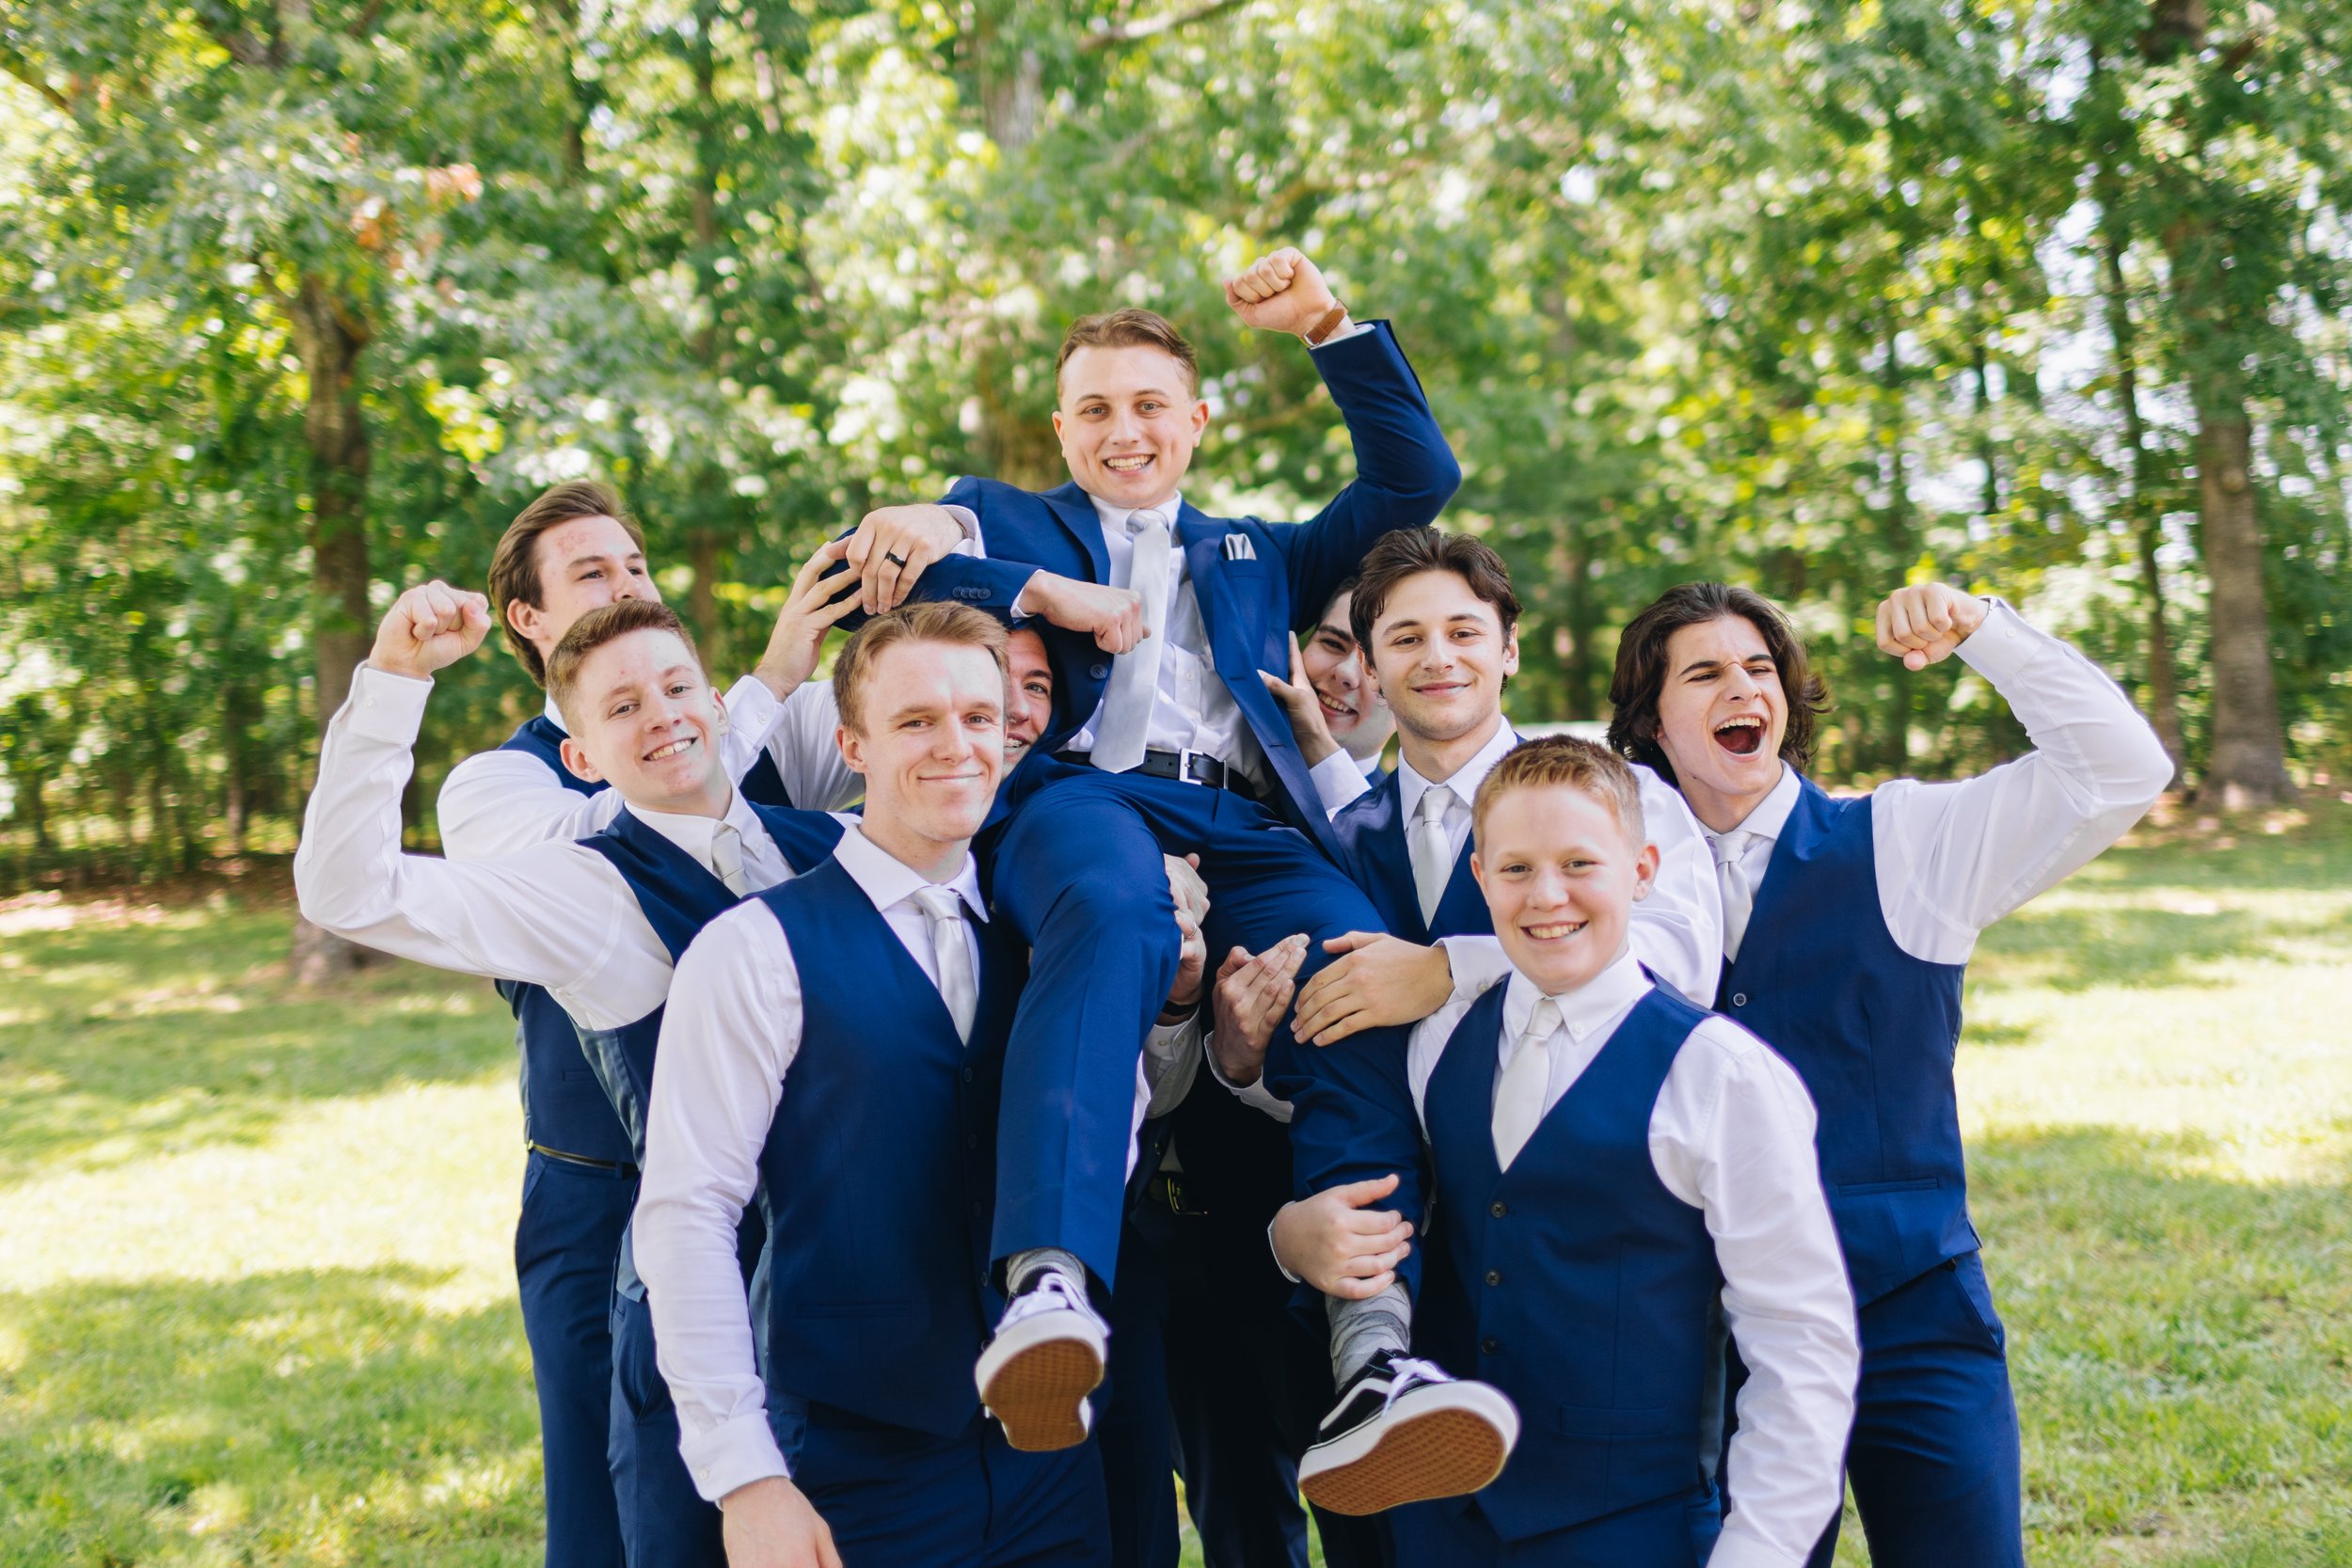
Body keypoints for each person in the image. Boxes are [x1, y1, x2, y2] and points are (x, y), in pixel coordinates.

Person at [834, 247, 1463, 1447]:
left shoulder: (1255, 552)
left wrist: (1324, 322)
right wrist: (1048, 595)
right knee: (1119, 916)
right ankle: (1050, 1282)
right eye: (1096, 410)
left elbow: (1414, 475)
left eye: (1147, 405)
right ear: (1061, 429)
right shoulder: (1005, 512)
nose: (1123, 431)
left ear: (1195, 420)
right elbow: (878, 562)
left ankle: (1374, 1344)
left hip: (1236, 813)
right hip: (1083, 795)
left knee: (1364, 964)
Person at [1605, 579, 2174, 1568]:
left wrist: (1984, 632)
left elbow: (2122, 771)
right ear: (1653, 721)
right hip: (1713, 1326)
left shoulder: (1906, 841)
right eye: (1703, 672)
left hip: (1910, 1307)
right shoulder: (1613, 882)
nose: (1743, 686)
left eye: (1759, 667)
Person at [294, 588, 859, 1567]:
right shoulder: (581, 887)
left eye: (678, 686)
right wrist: (395, 674)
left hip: (861, 1308)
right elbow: (350, 890)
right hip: (704, 1315)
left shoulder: (833, 848)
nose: (664, 714)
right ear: (584, 757)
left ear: (721, 703)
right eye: (624, 705)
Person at [633, 604, 1205, 1568]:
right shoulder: (754, 948)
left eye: (980, 718)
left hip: (1049, 1462)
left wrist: (1173, 1006)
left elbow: (1113, 1133)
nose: (958, 746)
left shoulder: (1049, 939)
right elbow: (688, 1215)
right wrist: (746, 1474)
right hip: (856, 1462)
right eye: (916, 721)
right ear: (851, 743)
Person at [430, 480, 926, 1568]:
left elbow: (892, 764)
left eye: (637, 568)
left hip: (781, 1195)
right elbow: (623, 825)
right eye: (593, 573)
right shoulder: (495, 786)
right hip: (600, 1193)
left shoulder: (726, 730)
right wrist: (766, 676)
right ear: (526, 618)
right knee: (615, 1506)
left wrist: (935, 543)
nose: (627, 583)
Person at [1275, 737, 1859, 1568]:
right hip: (1442, 1527)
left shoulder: (1722, 1075)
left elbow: (1803, 1347)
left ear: (1644, 869)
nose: (1547, 896)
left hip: (1634, 1527)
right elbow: (1347, 1139)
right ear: (1480, 878)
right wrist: (1287, 1236)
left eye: (1579, 862)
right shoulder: (1438, 1036)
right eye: (1515, 870)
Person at [1260, 576, 1396, 811]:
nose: (1345, 672)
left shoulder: (1400, 825)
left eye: (1375, 665)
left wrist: (1314, 737)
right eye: (1333, 643)